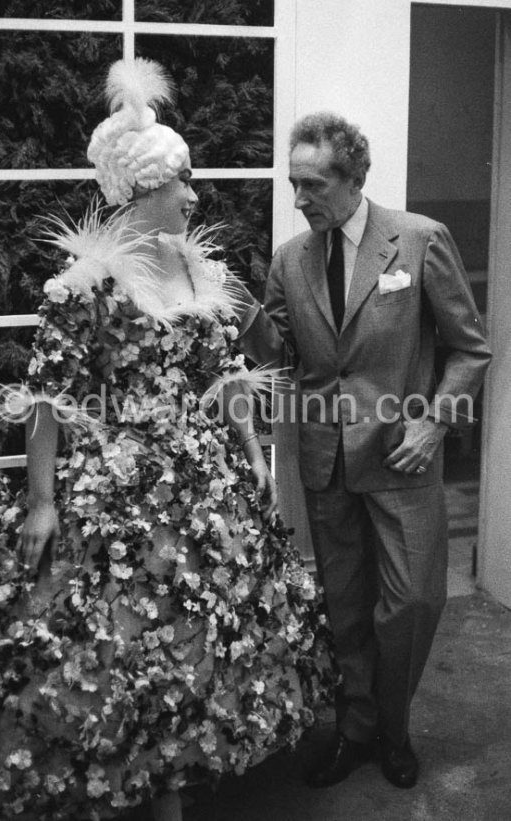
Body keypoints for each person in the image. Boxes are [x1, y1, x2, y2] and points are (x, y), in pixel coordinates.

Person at [0, 61, 333, 821]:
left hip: (200, 481)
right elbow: (49, 401)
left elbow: (225, 373)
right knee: (121, 638)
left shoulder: (198, 271)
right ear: (142, 189)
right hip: (118, 487)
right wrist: (40, 502)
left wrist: (255, 453)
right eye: (183, 183)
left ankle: (175, 786)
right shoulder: (85, 285)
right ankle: (139, 786)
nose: (194, 196)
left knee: (195, 633)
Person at [236, 111, 491, 790]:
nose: (299, 199)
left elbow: (471, 348)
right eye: (294, 183)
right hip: (326, 459)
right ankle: (356, 729)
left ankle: (393, 725)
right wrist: (237, 309)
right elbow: (278, 355)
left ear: (354, 178)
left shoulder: (419, 240)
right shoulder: (291, 258)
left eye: (313, 184)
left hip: (404, 453)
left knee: (411, 600)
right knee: (344, 604)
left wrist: (434, 423)